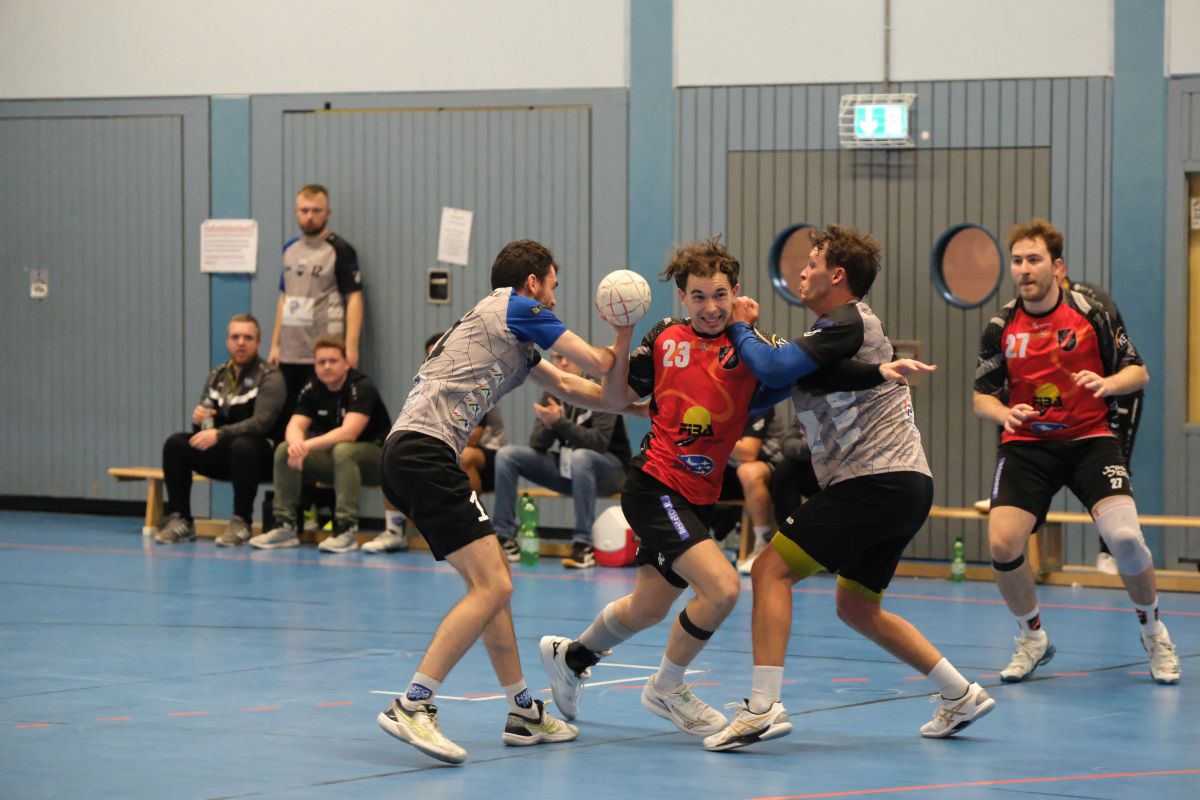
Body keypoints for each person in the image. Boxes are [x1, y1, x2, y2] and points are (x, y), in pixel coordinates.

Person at [539, 236, 901, 740]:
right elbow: (616, 398)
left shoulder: (753, 345)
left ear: (736, 293)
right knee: (724, 588)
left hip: (699, 494)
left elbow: (814, 370)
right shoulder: (664, 337)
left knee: (648, 606)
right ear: (682, 298)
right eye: (698, 296)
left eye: (719, 295)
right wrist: (623, 335)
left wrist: (879, 370)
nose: (710, 307)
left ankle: (572, 656)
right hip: (655, 485)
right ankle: (666, 687)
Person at [701, 224, 991, 751]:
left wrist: (740, 328)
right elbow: (767, 388)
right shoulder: (828, 340)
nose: (802, 271)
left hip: (874, 481)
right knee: (857, 607)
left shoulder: (848, 321)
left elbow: (775, 365)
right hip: (903, 486)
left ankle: (762, 707)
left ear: (837, 275)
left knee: (769, 570)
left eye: (812, 263)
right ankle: (960, 694)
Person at [375, 239, 623, 765]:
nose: (554, 298)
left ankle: (523, 711)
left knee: (492, 589)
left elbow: (571, 384)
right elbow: (598, 362)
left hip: (409, 454)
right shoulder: (516, 306)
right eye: (553, 285)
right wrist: (624, 330)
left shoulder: (506, 330)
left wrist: (644, 408)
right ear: (533, 282)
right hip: (424, 452)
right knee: (495, 585)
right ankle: (413, 704)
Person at [973, 218, 1181, 685]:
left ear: (1058, 267)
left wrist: (1107, 384)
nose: (1024, 269)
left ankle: (1154, 634)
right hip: (1028, 446)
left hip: (1090, 440)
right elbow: (981, 397)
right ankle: (1032, 638)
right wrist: (1003, 412)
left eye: (1034, 260)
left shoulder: (1091, 313)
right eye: (1017, 261)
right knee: (1003, 544)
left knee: (1125, 539)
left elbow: (1139, 372)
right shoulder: (1001, 325)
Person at [249, 336, 391, 553]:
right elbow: (295, 425)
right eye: (321, 362)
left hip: (376, 461)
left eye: (333, 361)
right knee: (284, 450)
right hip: (336, 461)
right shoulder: (312, 388)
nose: (327, 366)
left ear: (346, 363)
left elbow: (349, 433)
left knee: (344, 449)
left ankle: (345, 529)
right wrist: (296, 445)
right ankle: (285, 526)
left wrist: (306, 446)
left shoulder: (361, 386)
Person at [493, 351, 631, 568]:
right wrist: (549, 425)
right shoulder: (552, 392)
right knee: (507, 456)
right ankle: (504, 538)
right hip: (571, 471)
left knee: (581, 457)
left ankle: (583, 544)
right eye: (558, 358)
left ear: (582, 361)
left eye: (570, 357)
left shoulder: (600, 390)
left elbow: (599, 443)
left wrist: (560, 423)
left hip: (610, 471)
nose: (564, 362)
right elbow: (537, 445)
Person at [155, 314, 284, 546]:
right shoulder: (216, 376)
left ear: (258, 343)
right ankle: (181, 518)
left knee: (243, 445)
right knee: (176, 444)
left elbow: (260, 423)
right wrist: (199, 420)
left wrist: (220, 434)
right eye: (235, 337)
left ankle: (241, 521)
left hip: (260, 458)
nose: (241, 342)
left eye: (248, 338)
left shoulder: (270, 377)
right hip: (225, 454)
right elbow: (205, 424)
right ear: (227, 341)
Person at [1057, 275, 1144, 575]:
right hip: (1084, 392)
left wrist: (1108, 383)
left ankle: (1111, 550)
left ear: (1059, 270)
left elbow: (1119, 346)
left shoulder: (1089, 299)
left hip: (1118, 387)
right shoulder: (1037, 311)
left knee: (1117, 465)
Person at [268, 184, 363, 423]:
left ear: (327, 212)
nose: (310, 216)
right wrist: (276, 344)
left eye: (316, 210)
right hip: (291, 352)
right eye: (304, 210)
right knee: (290, 416)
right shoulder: (289, 249)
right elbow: (284, 297)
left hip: (324, 352)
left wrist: (350, 346)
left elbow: (354, 298)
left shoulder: (340, 249)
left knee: (320, 419)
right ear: (296, 212)